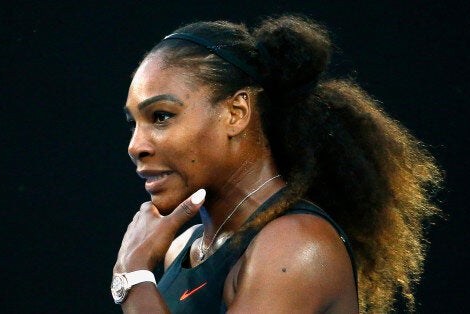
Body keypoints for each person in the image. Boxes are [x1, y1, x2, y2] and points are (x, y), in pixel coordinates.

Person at [112, 15, 442, 313]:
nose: (135, 146)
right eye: (133, 123)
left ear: (236, 113)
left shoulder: (295, 245)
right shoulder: (183, 249)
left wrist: (134, 279)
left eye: (161, 116)